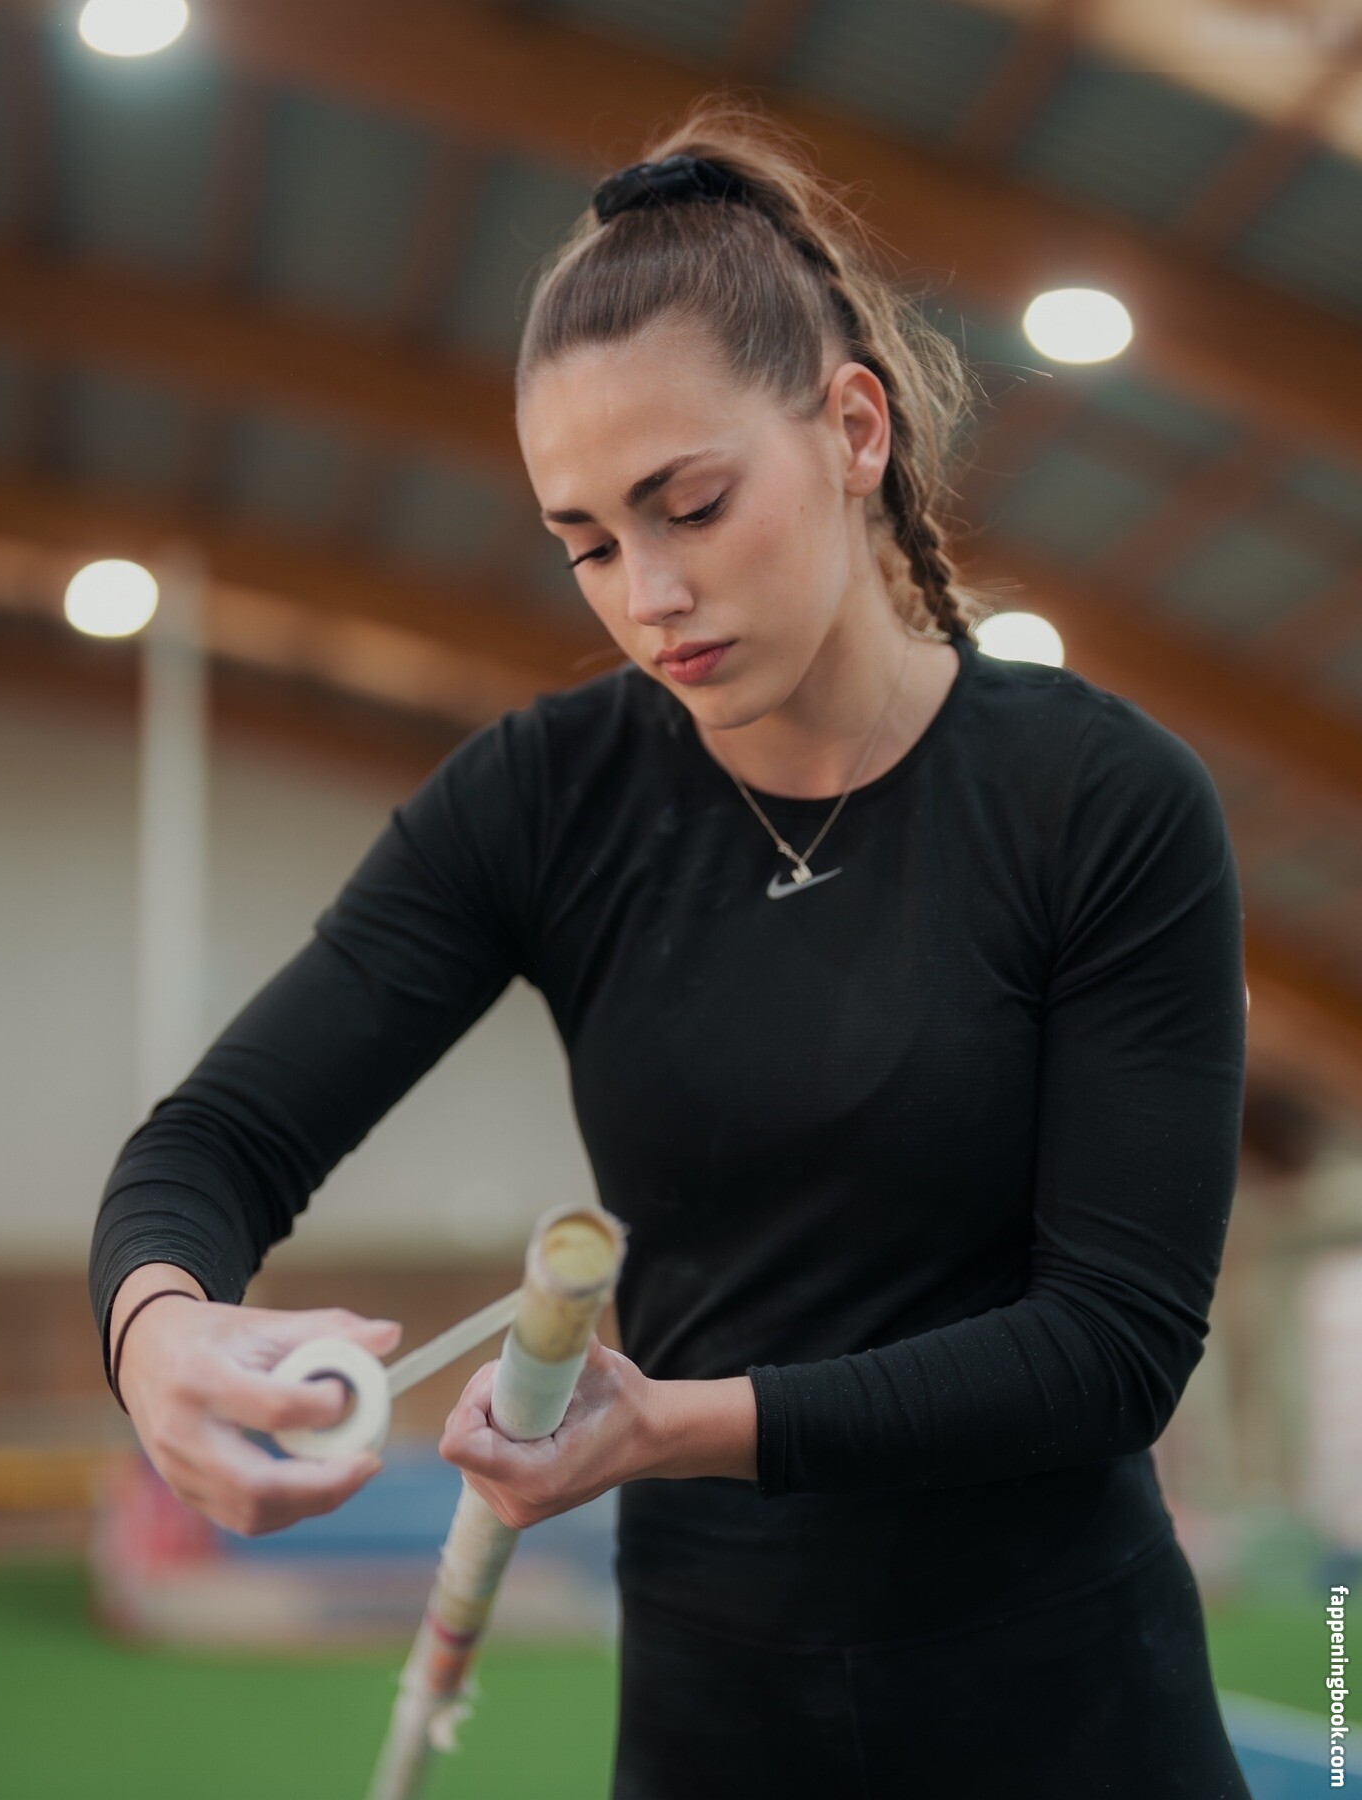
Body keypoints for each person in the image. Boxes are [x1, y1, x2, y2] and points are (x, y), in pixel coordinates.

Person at [89, 97, 1253, 1798]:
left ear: (853, 430)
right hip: (717, 1714)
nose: (646, 596)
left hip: (1067, 1709)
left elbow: (1113, 1348)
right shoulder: (543, 799)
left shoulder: (1103, 801)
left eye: (689, 506)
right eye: (586, 542)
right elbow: (216, 1141)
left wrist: (676, 1426)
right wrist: (160, 1330)